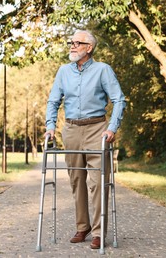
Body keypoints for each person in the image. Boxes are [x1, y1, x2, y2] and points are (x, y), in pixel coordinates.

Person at [44, 30, 126, 249]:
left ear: (89, 48)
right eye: (71, 42)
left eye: (77, 43)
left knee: (98, 182)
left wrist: (112, 127)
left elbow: (119, 100)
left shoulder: (103, 70)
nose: (72, 46)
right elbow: (53, 101)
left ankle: (99, 232)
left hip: (97, 129)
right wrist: (50, 126)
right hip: (71, 130)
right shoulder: (63, 71)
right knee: (76, 180)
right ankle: (83, 227)